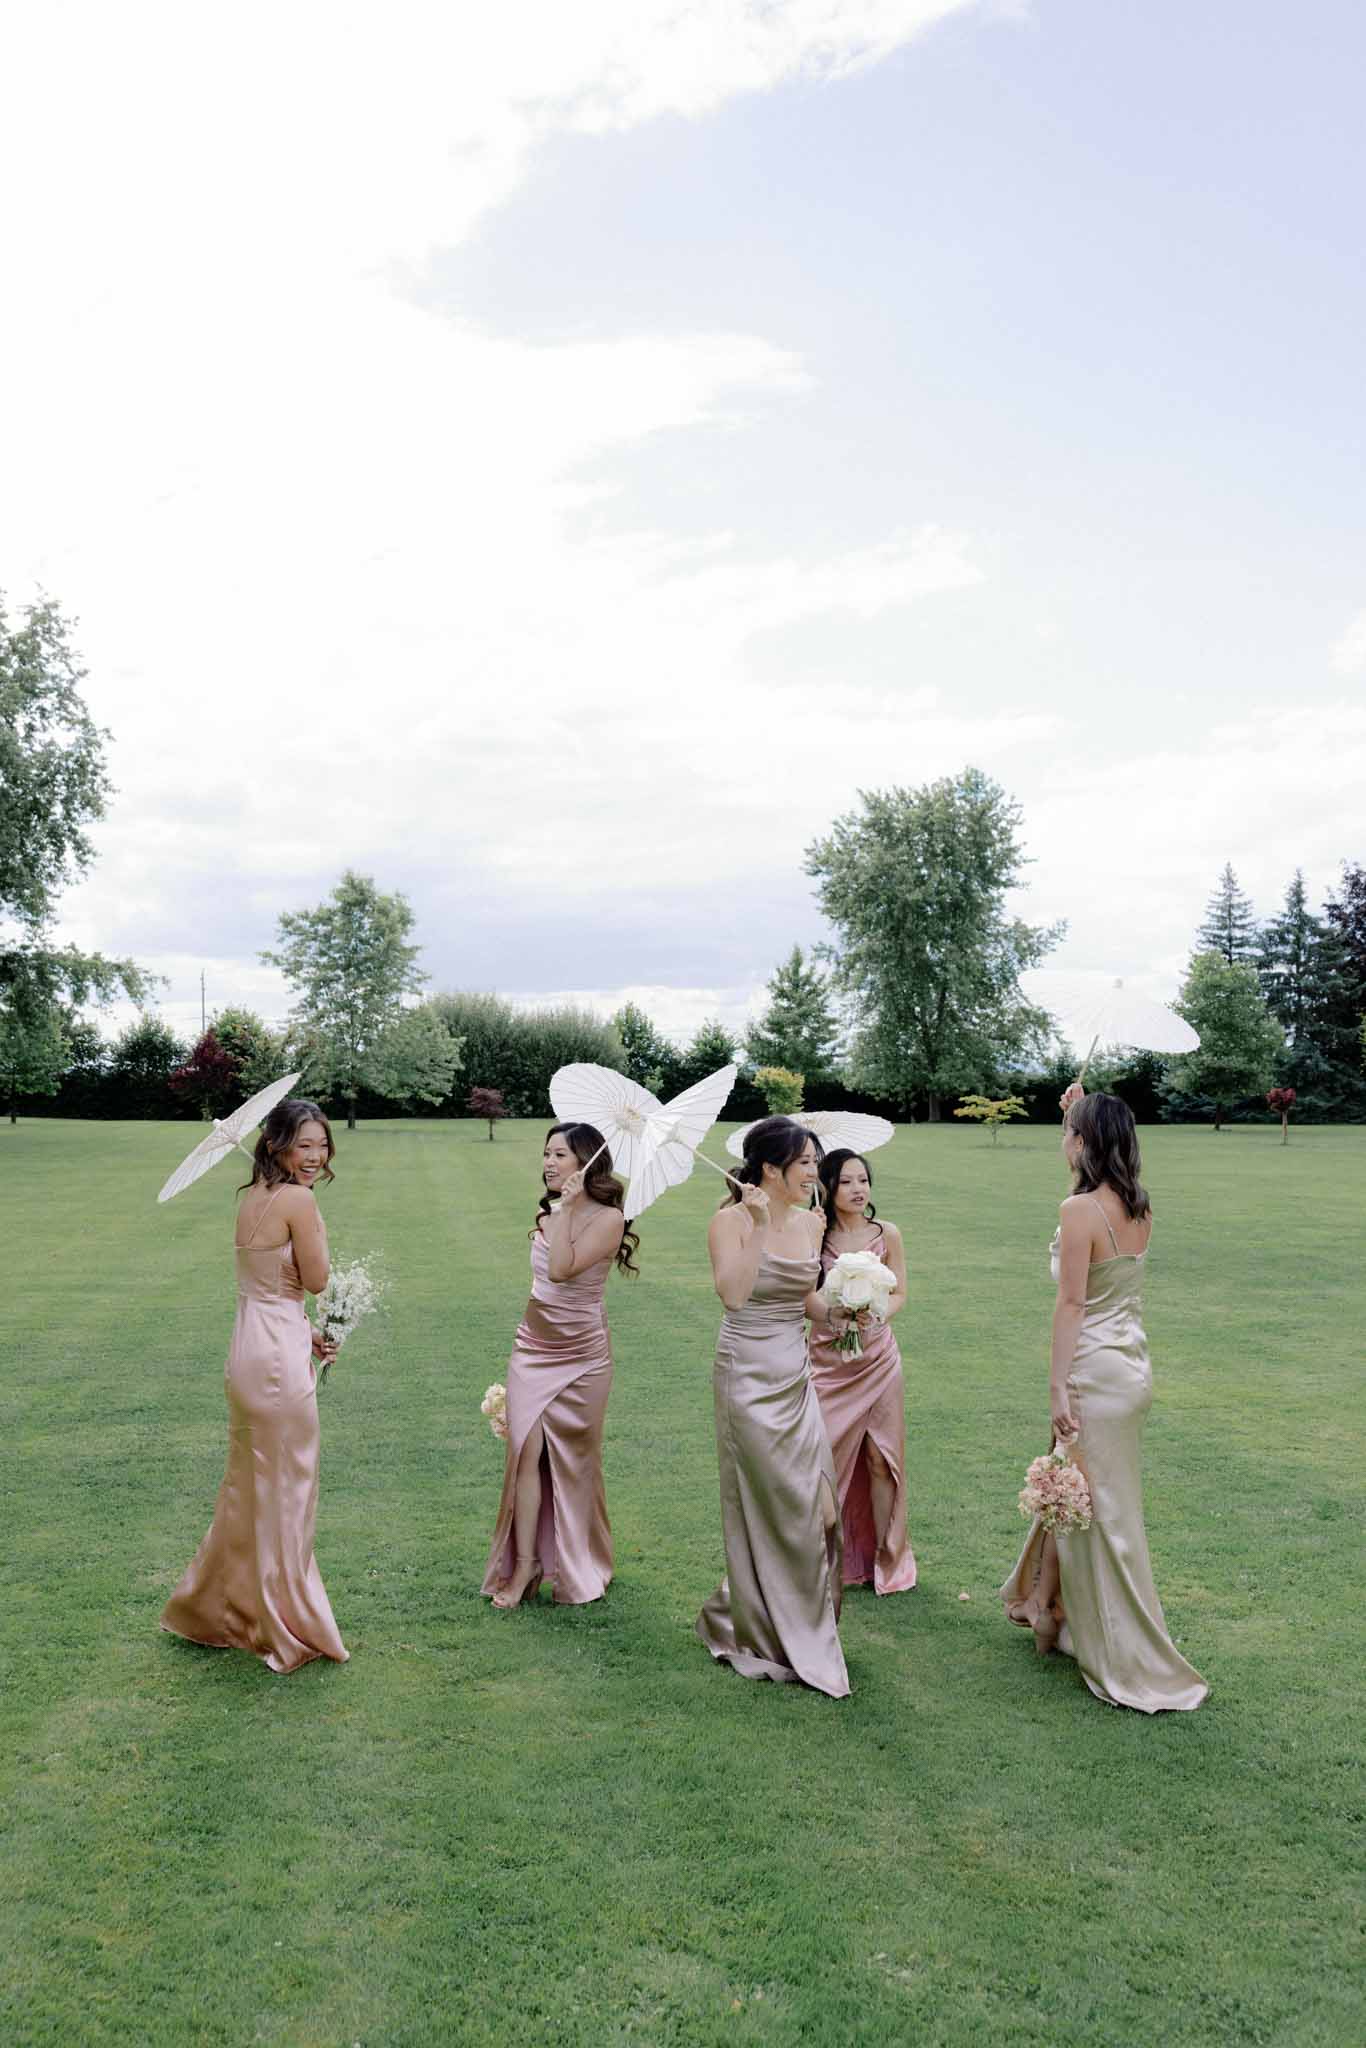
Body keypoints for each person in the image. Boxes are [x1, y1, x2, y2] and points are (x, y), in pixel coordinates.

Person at [1001, 1089, 1208, 1711]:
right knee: (1083, 1500)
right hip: (1131, 1371)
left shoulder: (1078, 1210)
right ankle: (1045, 1608)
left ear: (1083, 1143)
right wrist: (1082, 1105)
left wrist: (1057, 1384)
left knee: (1102, 1517)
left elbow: (1072, 1303)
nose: (1062, 1142)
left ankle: (1128, 1652)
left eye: (1069, 1133)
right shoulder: (1139, 1207)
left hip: (1091, 1373)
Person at [161, 1099, 349, 1674]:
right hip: (276, 1364)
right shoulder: (297, 1199)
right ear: (275, 1145)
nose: (315, 1156)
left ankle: (222, 1610)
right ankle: (287, 1622)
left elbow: (271, 1289)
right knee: (288, 1489)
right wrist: (318, 1235)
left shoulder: (253, 1200)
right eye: (304, 1144)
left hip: (250, 1350)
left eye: (322, 1145)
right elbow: (315, 1279)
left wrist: (311, 1334)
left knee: (250, 1489)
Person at [695, 1116, 850, 1697]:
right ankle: (769, 1631)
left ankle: (760, 1608)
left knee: (821, 1509)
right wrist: (758, 1224)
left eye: (815, 1162)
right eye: (806, 1163)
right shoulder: (728, 1221)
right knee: (769, 1505)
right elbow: (734, 1296)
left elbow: (803, 1297)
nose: (817, 1172)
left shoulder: (813, 1224)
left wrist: (843, 1312)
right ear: (770, 1169)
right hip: (746, 1375)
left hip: (796, 1375)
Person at [482, 1122, 637, 1608]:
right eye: (546, 1154)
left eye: (560, 1155)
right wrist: (561, 1211)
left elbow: (562, 1269)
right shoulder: (550, 1214)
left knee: (573, 1461)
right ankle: (525, 1564)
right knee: (524, 1453)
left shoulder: (610, 1219)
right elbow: (542, 1283)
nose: (549, 1163)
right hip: (533, 1347)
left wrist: (567, 1211)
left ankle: (579, 1558)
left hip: (584, 1358)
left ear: (586, 1163)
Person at [808, 1149, 916, 1595]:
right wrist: (839, 1315)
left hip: (879, 1358)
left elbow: (901, 1292)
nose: (858, 1189)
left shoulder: (886, 1233)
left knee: (881, 1458)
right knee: (824, 1458)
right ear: (829, 1186)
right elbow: (805, 1298)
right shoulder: (814, 1233)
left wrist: (876, 1313)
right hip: (828, 1362)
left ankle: (887, 1560)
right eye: (847, 1181)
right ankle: (819, 1557)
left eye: (864, 1181)